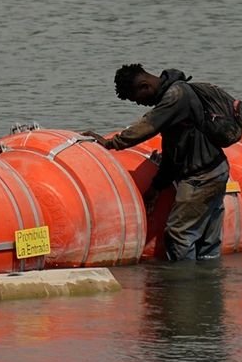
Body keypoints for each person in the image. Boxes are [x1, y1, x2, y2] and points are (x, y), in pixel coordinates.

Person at [83, 64, 229, 262]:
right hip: (215, 170)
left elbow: (147, 126)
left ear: (145, 86)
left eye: (137, 99)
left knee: (179, 235)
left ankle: (183, 287)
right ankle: (206, 285)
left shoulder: (175, 97)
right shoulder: (178, 95)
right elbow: (173, 154)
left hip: (200, 177)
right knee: (207, 241)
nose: (140, 104)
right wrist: (157, 187)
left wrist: (110, 143)